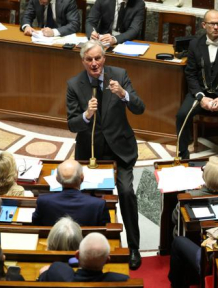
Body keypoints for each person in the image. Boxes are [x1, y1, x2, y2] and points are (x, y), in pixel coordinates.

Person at [66, 40, 145, 269]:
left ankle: (133, 247)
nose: (94, 63)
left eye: (97, 58)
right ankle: (88, 248)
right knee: (88, 198)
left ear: (104, 58)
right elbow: (72, 124)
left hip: (120, 150)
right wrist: (86, 115)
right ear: (83, 61)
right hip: (91, 153)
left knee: (127, 192)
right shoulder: (74, 84)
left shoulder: (120, 75)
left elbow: (140, 108)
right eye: (89, 59)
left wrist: (123, 94)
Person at [176, 9, 218, 158]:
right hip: (200, 92)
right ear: (203, 25)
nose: (216, 27)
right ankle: (183, 154)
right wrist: (201, 97)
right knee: (181, 115)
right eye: (212, 24)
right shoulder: (194, 45)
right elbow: (190, 74)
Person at [172, 156, 218, 236]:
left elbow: (175, 218)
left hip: (195, 237)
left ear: (205, 177)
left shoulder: (191, 196)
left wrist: (198, 191)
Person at [32, 159, 110, 227]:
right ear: (82, 178)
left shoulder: (43, 201)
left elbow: (36, 224)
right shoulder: (99, 204)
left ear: (57, 179)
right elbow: (105, 230)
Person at [39, 233, 129, 282]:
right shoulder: (122, 280)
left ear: (77, 255)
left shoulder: (57, 270)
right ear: (107, 260)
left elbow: (42, 273)